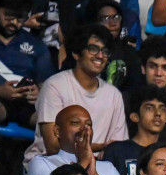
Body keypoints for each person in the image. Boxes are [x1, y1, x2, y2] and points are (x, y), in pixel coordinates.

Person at [27, 25, 128, 164]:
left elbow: (118, 148)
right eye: (93, 49)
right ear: (76, 53)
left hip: (95, 169)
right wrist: (97, 148)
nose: (100, 55)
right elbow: (52, 147)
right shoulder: (55, 86)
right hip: (50, 164)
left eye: (105, 51)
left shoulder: (114, 95)